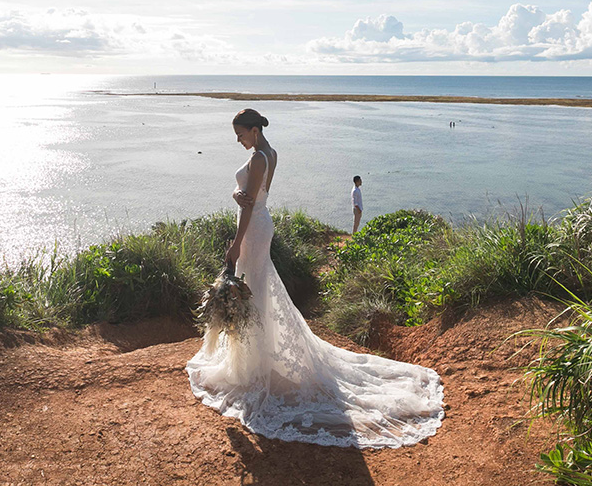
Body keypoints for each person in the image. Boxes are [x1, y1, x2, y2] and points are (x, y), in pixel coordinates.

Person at [186, 108, 444, 448]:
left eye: (240, 133)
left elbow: (250, 204)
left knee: (254, 289)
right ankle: (254, 357)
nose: (238, 139)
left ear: (253, 129)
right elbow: (255, 196)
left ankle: (254, 363)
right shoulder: (269, 152)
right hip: (260, 223)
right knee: (257, 288)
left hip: (251, 230)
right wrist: (238, 195)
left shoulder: (259, 157)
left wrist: (235, 243)